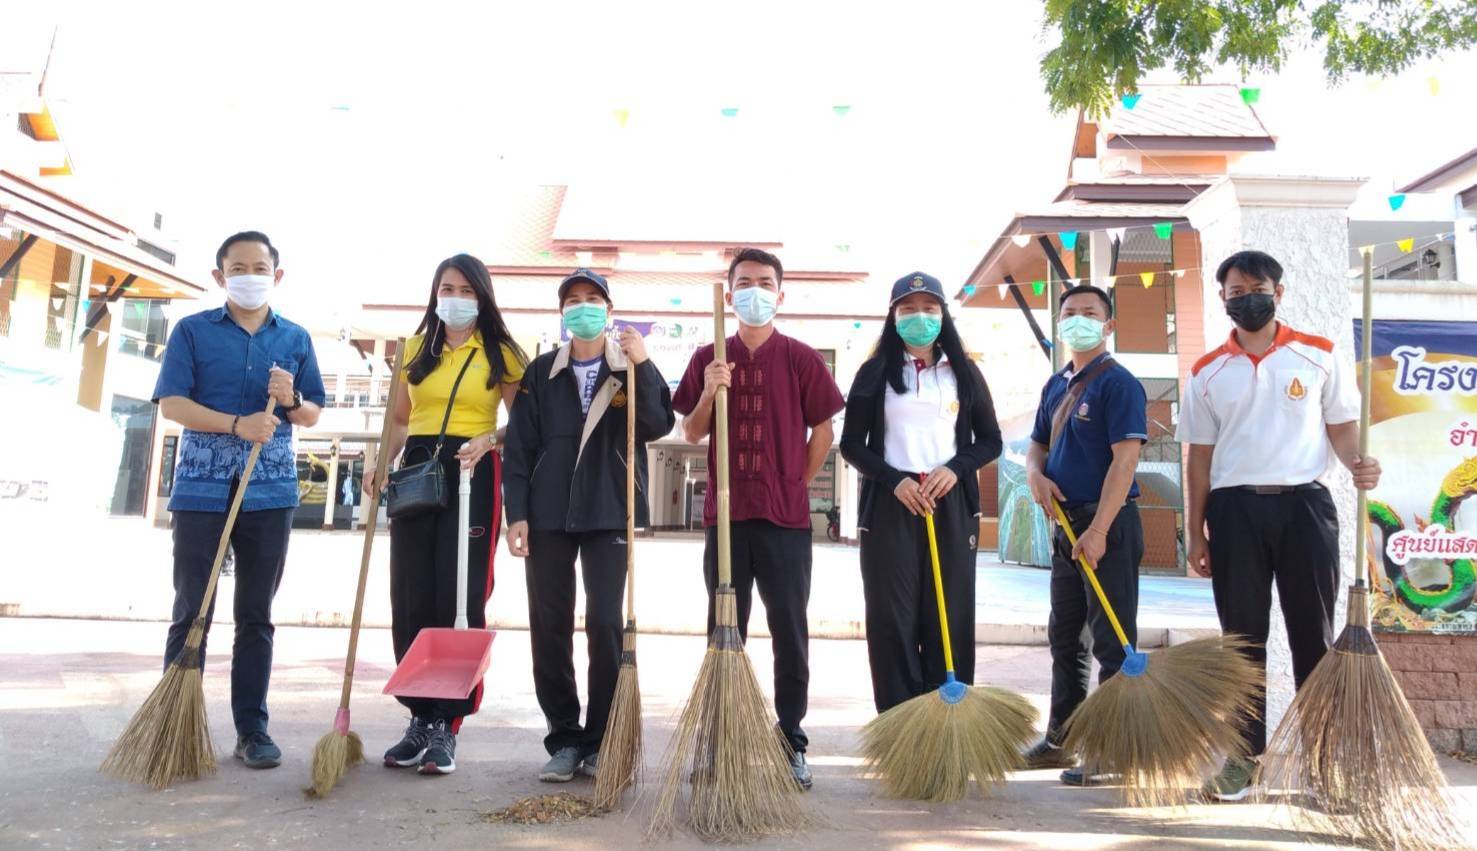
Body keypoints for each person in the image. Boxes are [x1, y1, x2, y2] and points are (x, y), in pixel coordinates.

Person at [1178, 249, 1379, 801]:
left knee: (1311, 635)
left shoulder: (1319, 355)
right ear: (1222, 300)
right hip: (1234, 511)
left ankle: (1321, 760)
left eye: (1256, 288)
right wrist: (1196, 531)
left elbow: (1342, 428)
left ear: (1279, 292)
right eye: (1235, 291)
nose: (1247, 298)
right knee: (1242, 641)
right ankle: (1244, 758)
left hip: (1305, 509)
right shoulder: (1206, 371)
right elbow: (1199, 455)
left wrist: (1359, 460)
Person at [672, 247, 845, 790]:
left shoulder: (800, 358)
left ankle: (790, 738)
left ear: (780, 293)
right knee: (725, 630)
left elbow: (824, 431)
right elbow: (692, 433)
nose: (754, 290)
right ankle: (720, 739)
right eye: (744, 282)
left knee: (789, 629)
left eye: (764, 282)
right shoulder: (708, 356)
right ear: (729, 294)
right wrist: (709, 392)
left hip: (785, 520)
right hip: (725, 518)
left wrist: (795, 482)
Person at [153, 230, 326, 770]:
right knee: (191, 607)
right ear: (219, 276)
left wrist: (289, 398)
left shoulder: (294, 339)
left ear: (276, 275)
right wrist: (235, 423)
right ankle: (173, 729)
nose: (248, 275)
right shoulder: (192, 332)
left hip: (269, 491)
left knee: (256, 614)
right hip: (202, 489)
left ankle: (252, 729)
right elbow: (172, 404)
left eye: (259, 267)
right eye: (237, 267)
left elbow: (313, 411)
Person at [502, 269, 676, 783]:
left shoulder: (628, 367)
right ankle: (564, 737)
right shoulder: (540, 373)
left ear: (609, 307)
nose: (583, 308)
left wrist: (642, 367)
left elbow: (658, 423)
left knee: (604, 623)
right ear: (562, 313)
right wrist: (518, 514)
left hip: (609, 511)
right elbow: (519, 449)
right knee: (549, 624)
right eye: (573, 301)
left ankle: (602, 738)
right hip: (549, 513)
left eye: (592, 299)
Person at [364, 253, 527, 775]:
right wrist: (378, 462)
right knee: (410, 594)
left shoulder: (501, 352)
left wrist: (489, 438)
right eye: (445, 288)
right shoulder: (413, 349)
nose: (453, 298)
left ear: (481, 296)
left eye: (464, 289)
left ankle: (448, 724)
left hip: (473, 471)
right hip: (417, 470)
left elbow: (525, 423)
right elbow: (398, 419)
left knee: (459, 594)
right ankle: (417, 717)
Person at [839, 272, 1002, 714]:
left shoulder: (963, 372)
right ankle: (900, 727)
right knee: (892, 616)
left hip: (949, 501)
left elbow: (991, 440)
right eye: (908, 309)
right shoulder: (874, 372)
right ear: (892, 316)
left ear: (943, 314)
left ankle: (947, 724)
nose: (919, 317)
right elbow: (852, 444)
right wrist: (895, 480)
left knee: (949, 615)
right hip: (892, 502)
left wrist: (956, 469)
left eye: (929, 309)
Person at [1020, 284, 1148, 786]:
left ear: (1108, 325)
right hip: (1065, 523)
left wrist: (1098, 530)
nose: (1078, 320)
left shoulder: (1120, 384)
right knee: (1066, 636)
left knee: (1113, 640)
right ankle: (1063, 738)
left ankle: (1113, 749)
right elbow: (1036, 446)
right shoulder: (1056, 384)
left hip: (1105, 525)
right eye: (1069, 312)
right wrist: (1035, 474)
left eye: (1089, 314)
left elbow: (1126, 458)